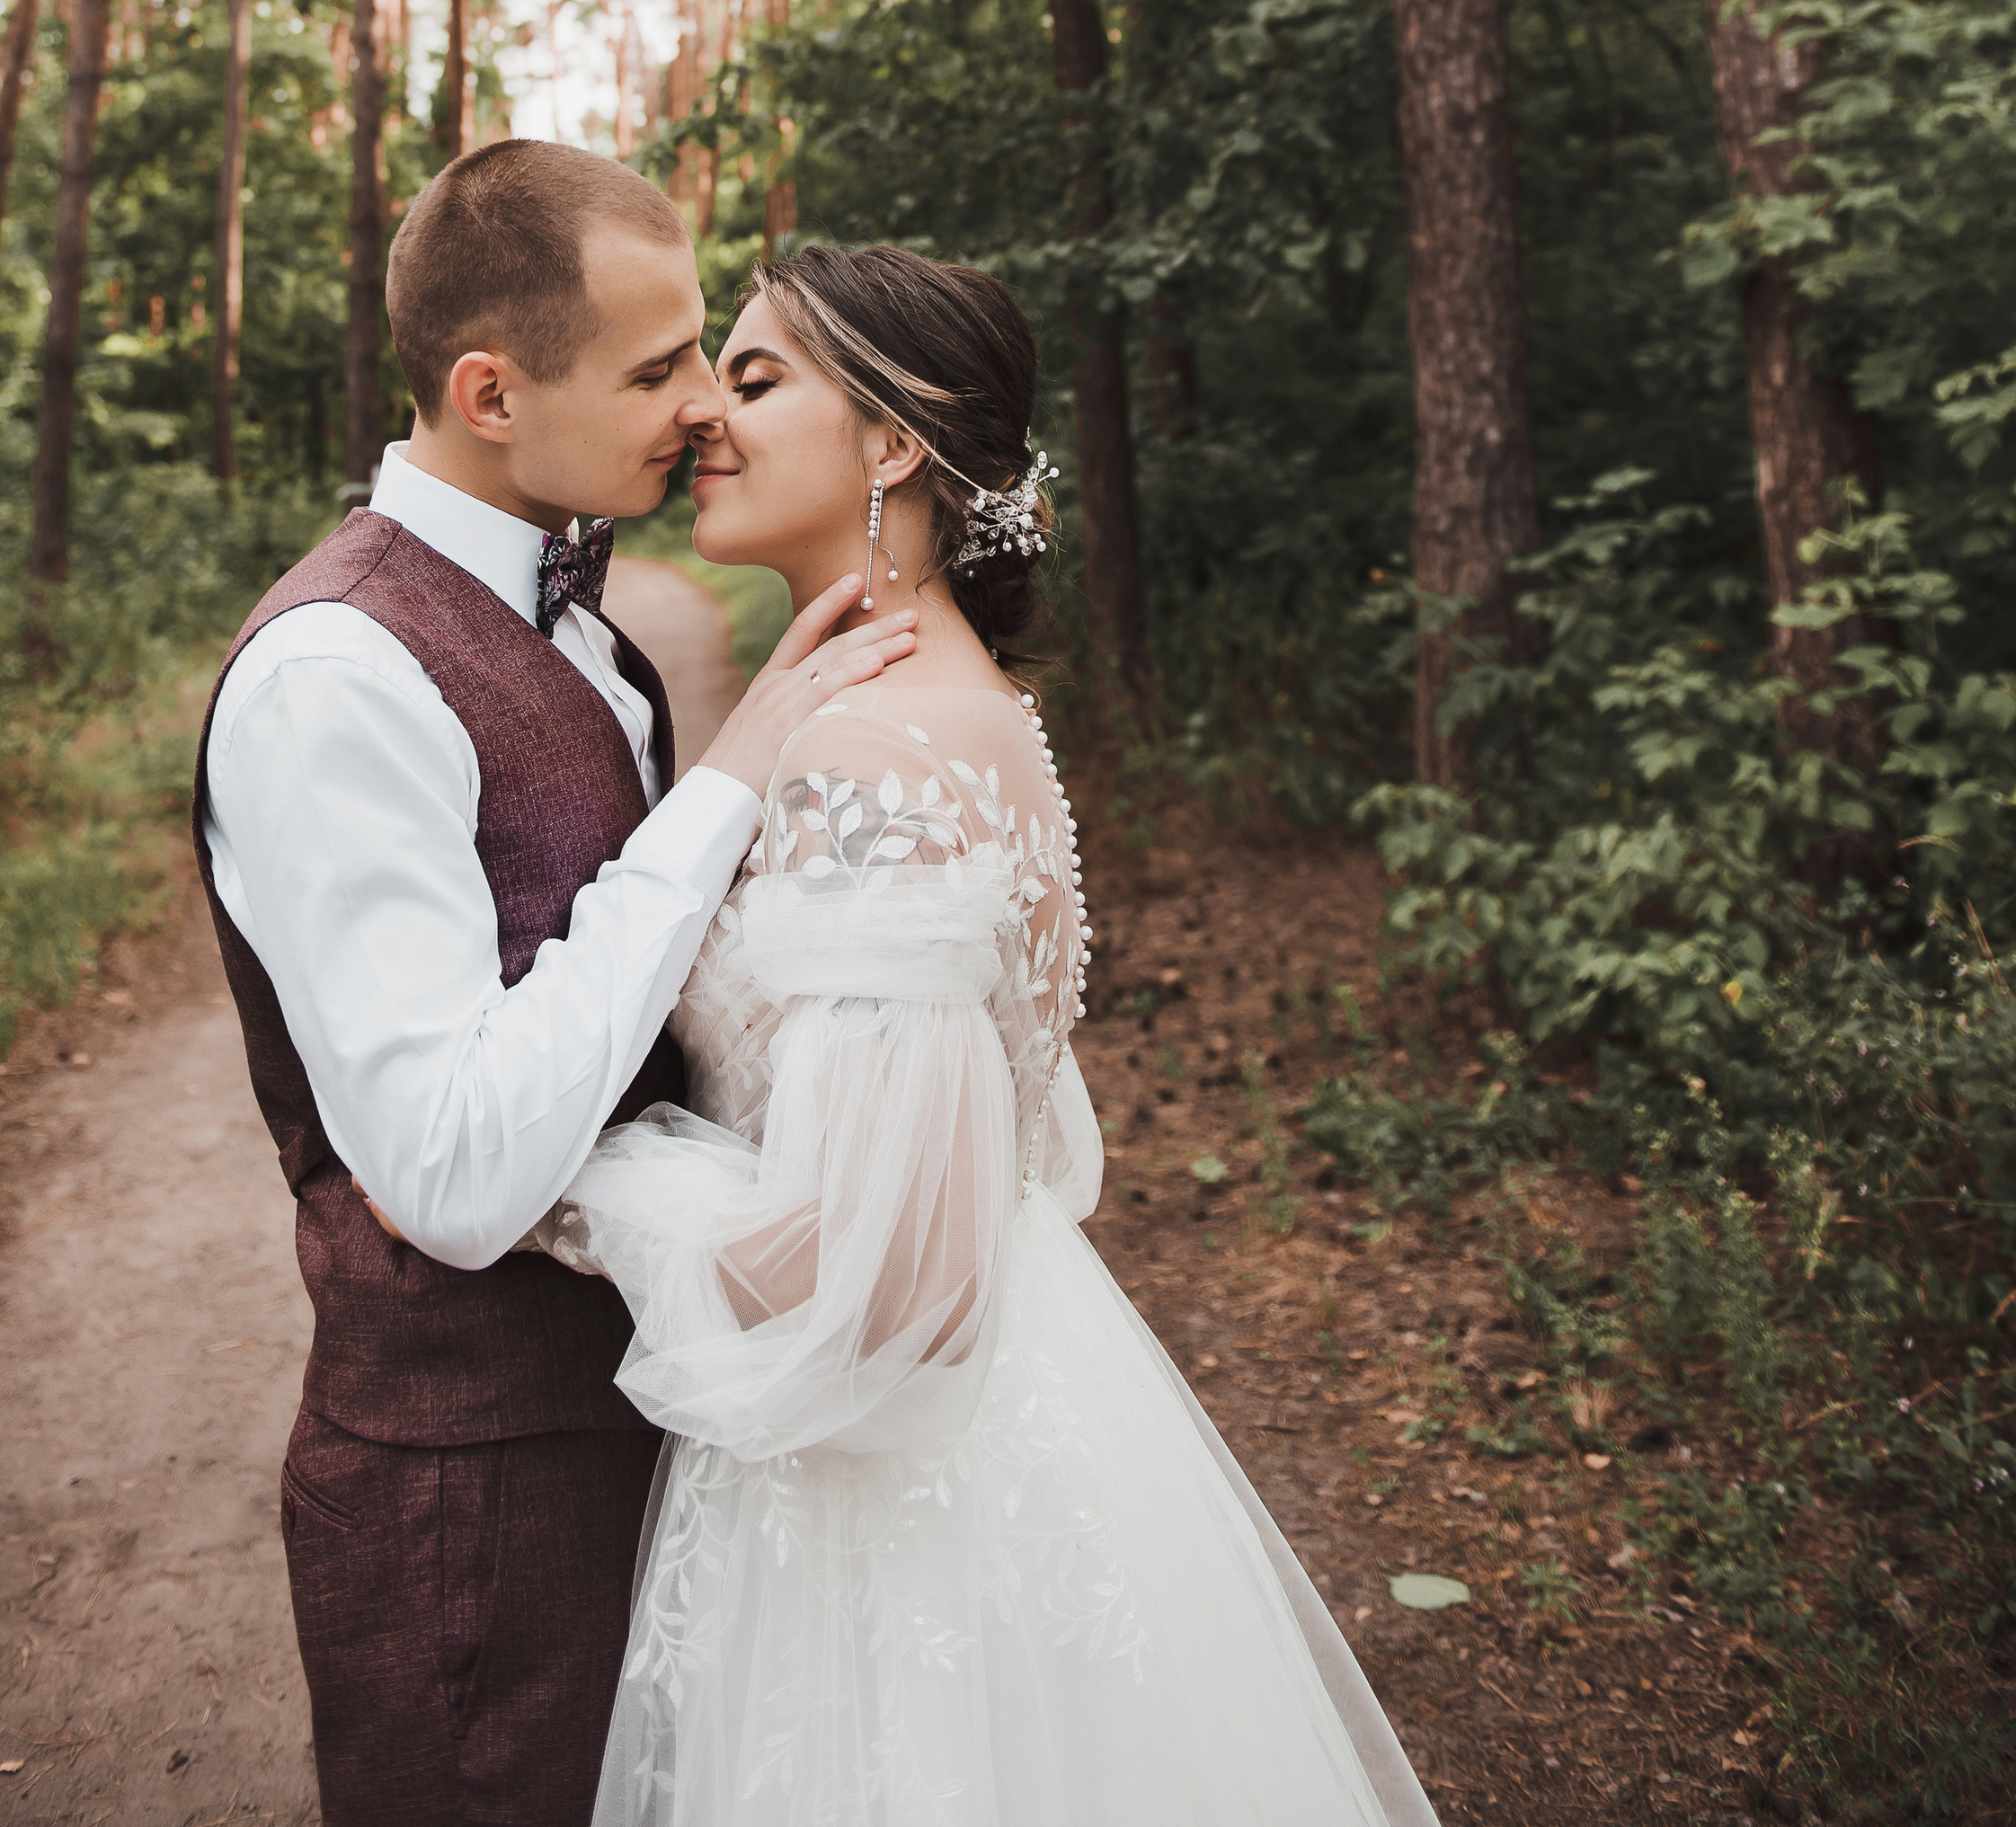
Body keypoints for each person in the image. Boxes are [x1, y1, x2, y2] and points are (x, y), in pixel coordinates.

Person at [540, 241, 1443, 1827]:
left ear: (895, 441)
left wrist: (571, 1193)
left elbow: (904, 1281)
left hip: (892, 1505)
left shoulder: (884, 747)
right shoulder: (934, 701)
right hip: (996, 1425)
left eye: (753, 379)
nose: (703, 420)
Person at [192, 142, 919, 1827]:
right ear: (490, 390)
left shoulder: (585, 625)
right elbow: (445, 1172)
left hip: (663, 1425)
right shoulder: (335, 673)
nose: (699, 407)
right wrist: (731, 782)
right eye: (656, 366)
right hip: (478, 1497)